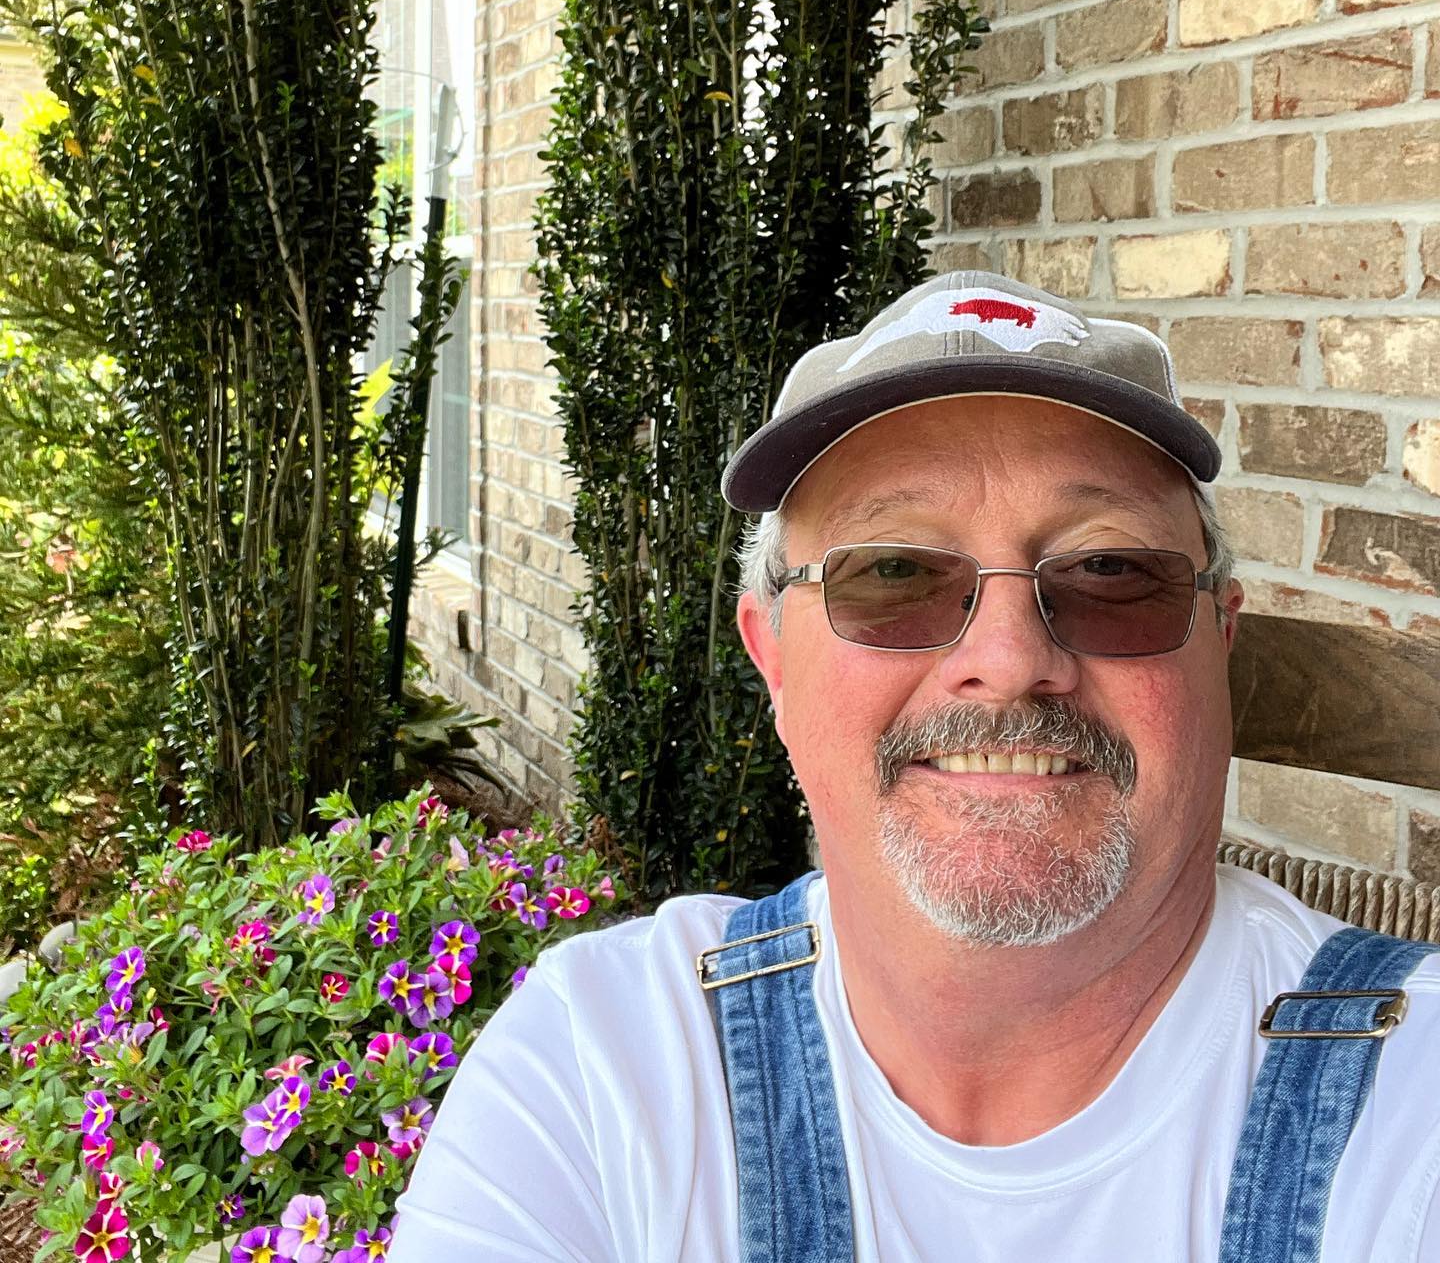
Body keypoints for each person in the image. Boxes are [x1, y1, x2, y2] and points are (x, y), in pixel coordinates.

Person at [389, 271, 1440, 1262]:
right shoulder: (607, 1067)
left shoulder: (1413, 1105)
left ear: (1220, 639)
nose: (1009, 661)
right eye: (892, 573)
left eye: (1110, 570)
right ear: (772, 659)